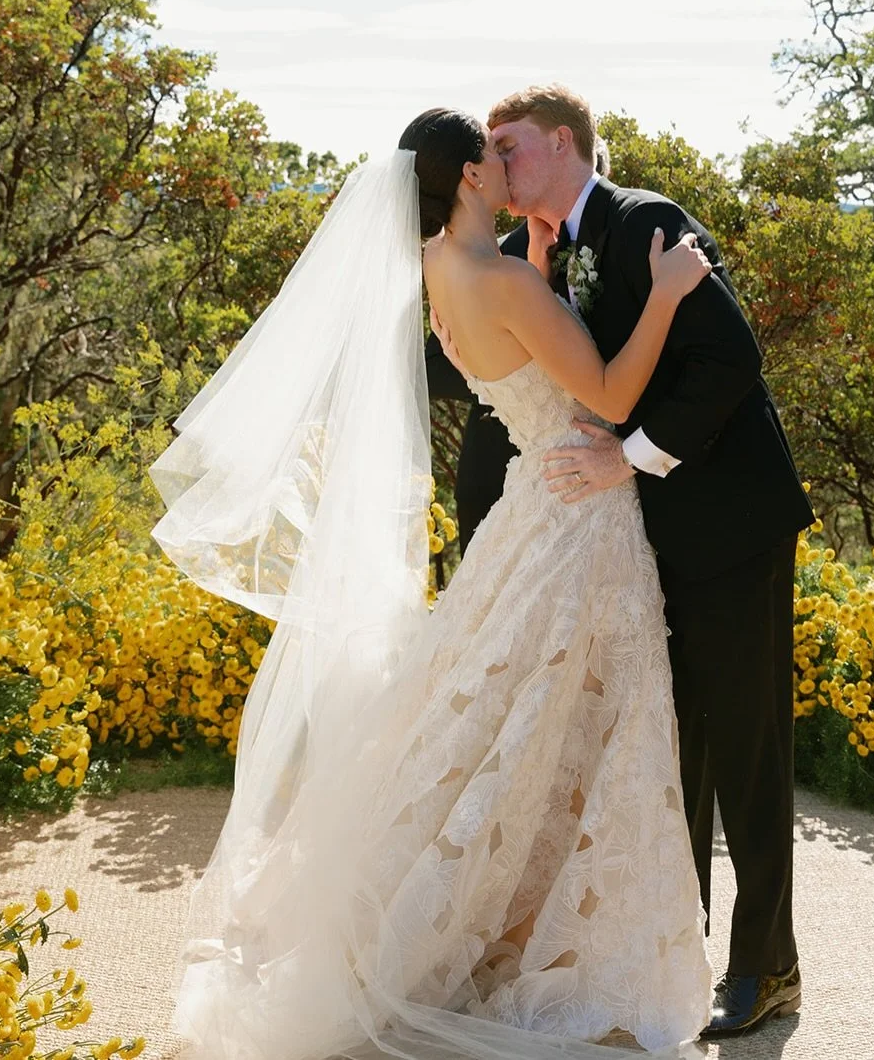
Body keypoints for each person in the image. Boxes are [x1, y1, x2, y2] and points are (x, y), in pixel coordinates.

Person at [149, 109, 715, 1060]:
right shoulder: (494, 276)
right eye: (491, 158)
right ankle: (527, 937)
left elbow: (518, 355)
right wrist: (665, 293)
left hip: (530, 500)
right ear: (462, 179)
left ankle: (488, 916)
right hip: (578, 513)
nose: (505, 168)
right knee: (568, 720)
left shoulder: (442, 271)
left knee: (501, 717)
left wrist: (535, 264)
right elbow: (609, 398)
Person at [431, 84, 814, 1038]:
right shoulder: (539, 253)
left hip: (726, 531)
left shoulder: (649, 221)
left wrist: (625, 458)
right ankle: (669, 956)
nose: (497, 165)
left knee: (746, 750)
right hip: (635, 543)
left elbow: (731, 360)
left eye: (510, 148)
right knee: (666, 749)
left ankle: (766, 968)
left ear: (563, 144)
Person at [426, 139, 611, 550]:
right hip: (498, 476)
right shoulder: (495, 258)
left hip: (589, 489)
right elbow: (434, 365)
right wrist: (500, 384)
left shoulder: (614, 243)